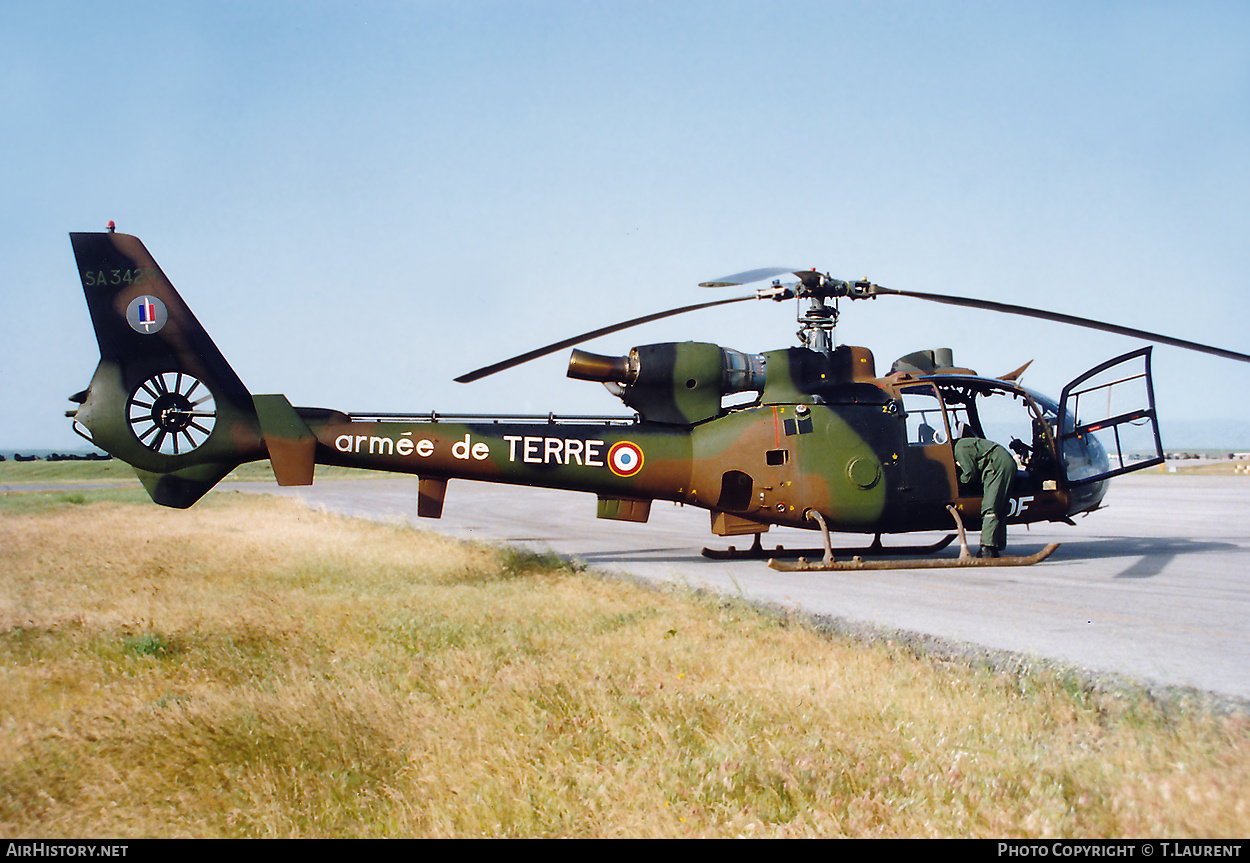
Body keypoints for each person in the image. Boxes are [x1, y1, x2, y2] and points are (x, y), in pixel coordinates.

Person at [952, 422, 1018, 558]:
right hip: (1002, 464)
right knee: (999, 507)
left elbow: (970, 473)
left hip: (997, 466)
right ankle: (997, 543)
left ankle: (988, 548)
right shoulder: (964, 445)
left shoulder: (959, 449)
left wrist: (960, 481)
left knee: (991, 506)